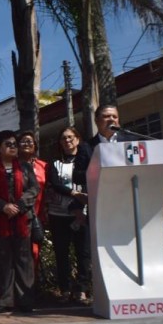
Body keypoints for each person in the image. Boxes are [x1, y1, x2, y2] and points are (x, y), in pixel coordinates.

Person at [0, 130, 39, 313]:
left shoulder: (25, 167)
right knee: (2, 260)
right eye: (8, 144)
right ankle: (5, 300)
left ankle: (25, 300)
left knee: (24, 260)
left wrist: (19, 206)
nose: (13, 147)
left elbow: (34, 189)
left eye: (15, 144)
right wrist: (3, 206)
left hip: (22, 220)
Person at [46, 126, 91, 302]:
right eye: (63, 138)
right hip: (58, 215)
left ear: (78, 139)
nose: (67, 140)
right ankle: (65, 289)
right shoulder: (54, 163)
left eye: (71, 137)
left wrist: (81, 199)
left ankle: (82, 288)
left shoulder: (87, 161)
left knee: (83, 253)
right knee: (61, 253)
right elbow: (55, 184)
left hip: (82, 213)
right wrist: (75, 194)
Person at [16, 131, 46, 273]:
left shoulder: (43, 166)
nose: (26, 144)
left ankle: (34, 282)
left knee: (35, 251)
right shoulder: (13, 165)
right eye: (23, 141)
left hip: (39, 213)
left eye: (30, 141)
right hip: (20, 213)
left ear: (35, 145)